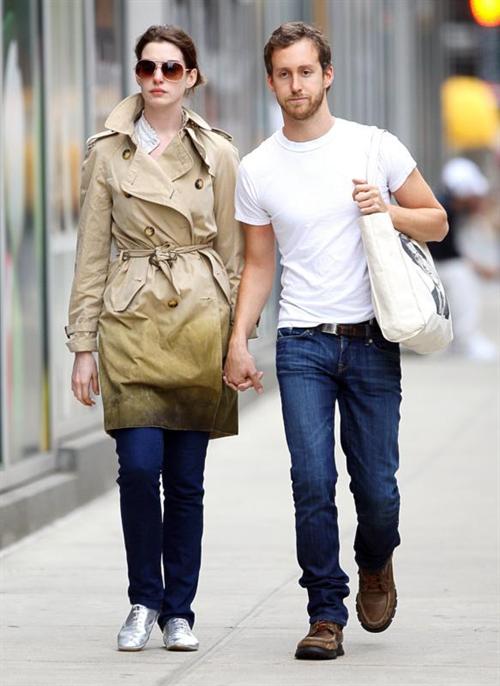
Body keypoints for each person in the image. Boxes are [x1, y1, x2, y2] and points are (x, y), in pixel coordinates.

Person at [223, 22, 447, 661]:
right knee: (312, 481)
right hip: (302, 344)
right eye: (283, 74)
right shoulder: (259, 168)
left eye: (306, 71)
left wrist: (385, 209)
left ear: (328, 74)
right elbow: (259, 264)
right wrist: (241, 339)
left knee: (377, 487)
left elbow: (435, 220)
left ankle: (376, 559)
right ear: (272, 82)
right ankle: (326, 612)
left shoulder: (374, 147)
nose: (296, 84)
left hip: (373, 340)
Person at [67, 24, 242, 652]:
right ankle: (143, 599)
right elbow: (91, 253)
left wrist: (237, 338)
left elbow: (235, 254)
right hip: (131, 318)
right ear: (137, 76)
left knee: (187, 480)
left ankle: (179, 611)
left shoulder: (218, 153)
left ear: (192, 76)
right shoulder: (107, 152)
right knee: (139, 470)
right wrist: (82, 344)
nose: (159, 79)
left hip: (199, 318)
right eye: (148, 69)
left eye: (171, 69)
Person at [429, 157, 498, 360]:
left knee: (462, 275)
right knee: (462, 277)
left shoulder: (457, 209)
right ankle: (465, 340)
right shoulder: (444, 210)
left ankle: (460, 339)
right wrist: (478, 268)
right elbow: (446, 253)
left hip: (440, 264)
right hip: (435, 266)